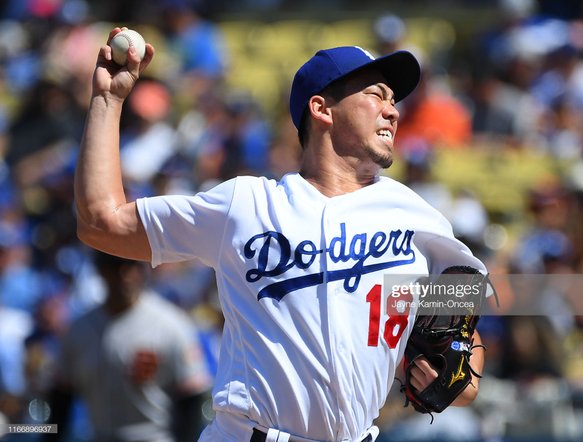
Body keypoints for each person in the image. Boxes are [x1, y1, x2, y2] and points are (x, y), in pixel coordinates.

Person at [74, 27, 487, 441]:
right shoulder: (246, 205)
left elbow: (462, 341)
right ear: (322, 108)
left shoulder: (416, 216)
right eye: (376, 95)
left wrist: (454, 372)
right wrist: (108, 100)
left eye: (394, 100)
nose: (393, 111)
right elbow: (101, 223)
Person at [46, 251, 212, 442]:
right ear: (100, 270)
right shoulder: (79, 330)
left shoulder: (170, 324)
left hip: (153, 437)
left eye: (132, 265)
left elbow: (191, 400)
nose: (124, 274)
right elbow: (61, 399)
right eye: (115, 266)